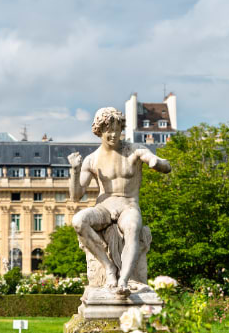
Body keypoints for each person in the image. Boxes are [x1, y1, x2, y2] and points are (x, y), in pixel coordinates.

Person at [68, 107, 171, 295]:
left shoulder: (134, 150)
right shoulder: (91, 160)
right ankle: (109, 268)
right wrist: (74, 171)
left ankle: (124, 280)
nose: (114, 135)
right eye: (109, 131)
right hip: (104, 208)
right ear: (99, 131)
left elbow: (163, 164)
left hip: (128, 205)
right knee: (78, 221)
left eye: (117, 130)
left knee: (132, 226)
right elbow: (76, 195)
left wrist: (157, 162)